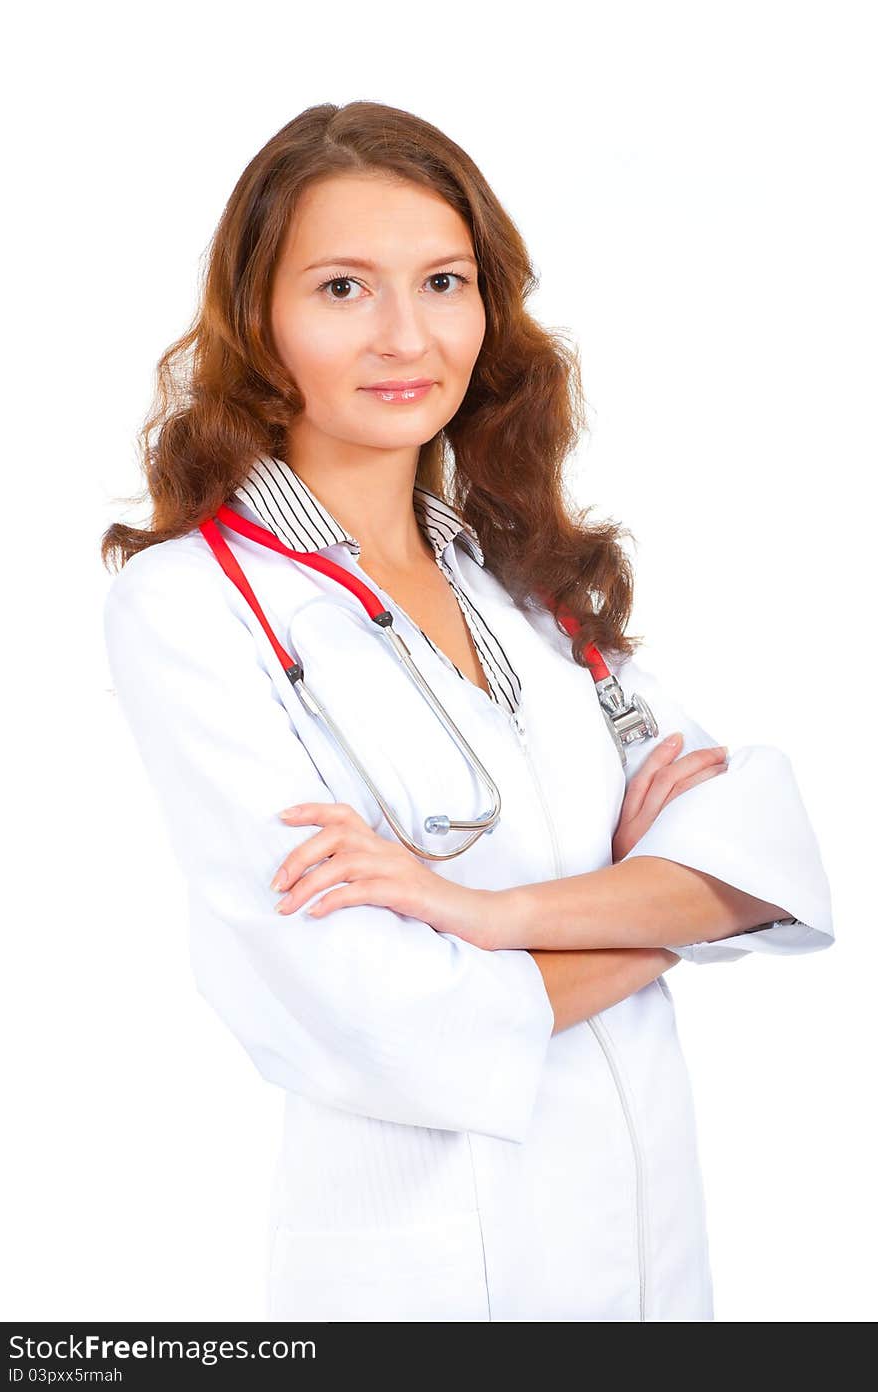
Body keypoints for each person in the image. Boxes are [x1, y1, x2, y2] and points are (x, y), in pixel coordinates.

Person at [101, 100, 834, 1322]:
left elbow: (757, 860)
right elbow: (374, 1011)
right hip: (425, 1270)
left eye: (442, 281)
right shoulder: (194, 606)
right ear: (258, 321)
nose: (405, 335)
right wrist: (662, 928)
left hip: (653, 1248)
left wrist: (476, 912)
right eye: (343, 288)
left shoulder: (525, 586)